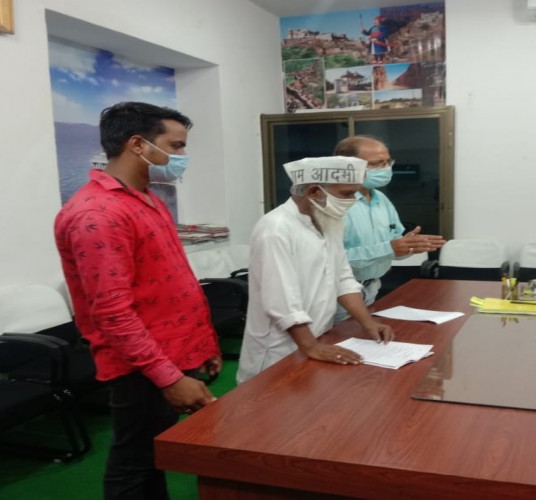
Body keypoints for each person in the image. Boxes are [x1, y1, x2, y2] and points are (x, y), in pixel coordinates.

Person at [54, 102, 221, 500]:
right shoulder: (98, 214)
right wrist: (170, 378)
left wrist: (204, 345)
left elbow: (171, 280)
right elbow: (113, 314)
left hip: (174, 352)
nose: (182, 156)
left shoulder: (145, 198)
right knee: (134, 462)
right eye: (175, 146)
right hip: (144, 366)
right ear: (138, 145)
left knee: (153, 456)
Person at [236, 156, 395, 384]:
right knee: (273, 400)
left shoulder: (330, 220)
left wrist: (369, 324)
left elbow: (343, 279)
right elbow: (281, 300)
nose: (352, 200)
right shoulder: (275, 229)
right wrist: (311, 346)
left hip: (318, 336)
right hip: (279, 348)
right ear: (314, 192)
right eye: (346, 194)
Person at [333, 135, 445, 323]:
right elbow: (330, 260)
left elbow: (393, 248)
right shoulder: (333, 204)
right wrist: (389, 248)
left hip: (371, 289)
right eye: (377, 164)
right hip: (338, 295)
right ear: (348, 165)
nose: (385, 168)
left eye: (387, 162)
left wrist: (408, 246)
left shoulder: (381, 199)